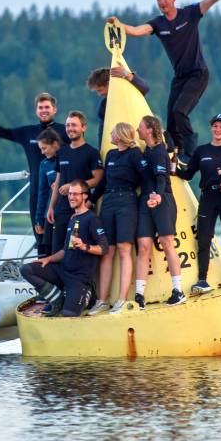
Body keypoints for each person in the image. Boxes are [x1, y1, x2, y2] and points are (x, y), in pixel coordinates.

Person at [106, 0, 221, 163]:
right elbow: (135, 31)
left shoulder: (189, 14)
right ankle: (175, 150)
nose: (161, 2)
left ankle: (190, 150)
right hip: (180, 76)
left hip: (198, 74)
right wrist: (118, 24)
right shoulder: (158, 23)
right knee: (170, 118)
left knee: (180, 111)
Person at [0, 93, 67, 240]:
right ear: (36, 111)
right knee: (40, 236)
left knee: (58, 238)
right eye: (40, 107)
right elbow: (1, 132)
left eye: (47, 107)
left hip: (60, 191)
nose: (44, 110)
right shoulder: (27, 132)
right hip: (36, 191)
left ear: (54, 109)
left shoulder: (65, 131)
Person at [177, 113, 221, 293]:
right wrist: (172, 169)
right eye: (215, 126)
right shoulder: (201, 151)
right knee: (204, 238)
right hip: (208, 197)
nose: (218, 130)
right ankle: (202, 280)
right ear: (211, 128)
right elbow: (187, 174)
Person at [20, 180, 108, 317]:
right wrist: (48, 259)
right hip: (62, 271)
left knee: (68, 314)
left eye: (75, 194)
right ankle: (57, 298)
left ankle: (87, 294)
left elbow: (104, 248)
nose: (71, 197)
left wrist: (85, 246)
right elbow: (64, 251)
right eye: (70, 194)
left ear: (85, 196)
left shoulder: (92, 219)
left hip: (78, 278)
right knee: (26, 269)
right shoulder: (73, 219)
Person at [86, 122, 143, 315]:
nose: (110, 133)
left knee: (124, 249)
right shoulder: (110, 155)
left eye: (112, 131)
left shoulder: (134, 154)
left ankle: (121, 299)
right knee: (106, 251)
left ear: (119, 135)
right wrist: (91, 200)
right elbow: (103, 183)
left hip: (127, 201)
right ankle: (102, 300)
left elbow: (145, 177)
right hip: (108, 201)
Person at [134, 114, 186, 308]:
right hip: (146, 200)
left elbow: (162, 178)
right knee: (144, 245)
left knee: (167, 242)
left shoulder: (158, 151)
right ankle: (139, 295)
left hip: (162, 199)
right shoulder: (146, 150)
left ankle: (178, 291)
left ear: (149, 130)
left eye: (140, 127)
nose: (137, 129)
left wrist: (157, 196)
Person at [47, 111, 104, 254]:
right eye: (67, 125)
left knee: (76, 252)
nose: (70, 128)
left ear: (83, 128)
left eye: (74, 125)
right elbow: (58, 181)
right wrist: (51, 207)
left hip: (81, 210)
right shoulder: (62, 151)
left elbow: (98, 179)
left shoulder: (91, 152)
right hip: (61, 210)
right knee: (57, 251)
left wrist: (73, 187)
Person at [86, 67, 150, 148]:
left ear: (109, 84)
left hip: (136, 143)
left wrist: (128, 75)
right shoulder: (104, 104)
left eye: (100, 90)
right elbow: (102, 131)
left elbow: (145, 88)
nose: (99, 94)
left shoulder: (128, 95)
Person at [33, 129, 62, 257]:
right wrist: (39, 219)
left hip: (67, 209)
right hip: (50, 212)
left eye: (44, 148)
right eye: (40, 149)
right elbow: (42, 193)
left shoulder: (67, 156)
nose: (42, 152)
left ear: (55, 144)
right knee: (48, 249)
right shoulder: (44, 164)